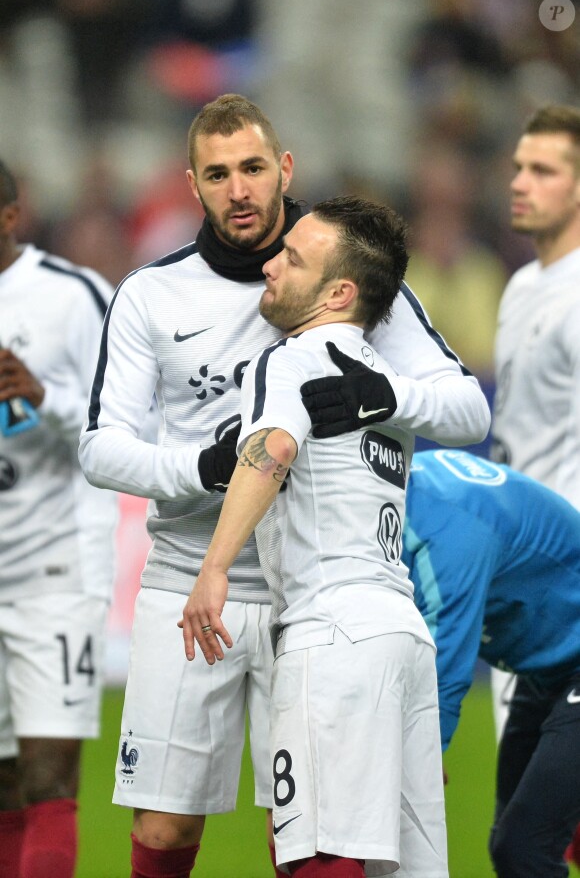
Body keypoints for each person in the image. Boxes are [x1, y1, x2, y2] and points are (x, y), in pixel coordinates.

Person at [78, 94, 489, 878]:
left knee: (302, 829)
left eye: (255, 169)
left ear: (285, 168)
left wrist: (390, 397)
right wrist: (200, 468)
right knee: (163, 832)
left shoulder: (344, 273)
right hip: (189, 582)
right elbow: (102, 450)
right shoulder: (151, 295)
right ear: (191, 184)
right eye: (219, 174)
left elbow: (466, 406)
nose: (240, 190)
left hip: (306, 598)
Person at [181, 196, 449, 878]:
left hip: (331, 634)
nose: (270, 265)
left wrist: (214, 567)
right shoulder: (384, 384)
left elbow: (270, 448)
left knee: (318, 856)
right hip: (403, 638)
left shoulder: (294, 357)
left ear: (338, 292)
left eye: (292, 259)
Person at [0, 160, 117, 878]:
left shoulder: (72, 297)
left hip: (55, 569)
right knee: (4, 782)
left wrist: (44, 397)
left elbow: (124, 427)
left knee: (47, 773)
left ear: (10, 217)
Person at [402, 448, 580, 878]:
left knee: (524, 848)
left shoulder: (447, 530)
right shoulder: (412, 485)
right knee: (514, 849)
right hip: (547, 668)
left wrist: (415, 762)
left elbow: (446, 670)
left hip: (564, 661)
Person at [490, 103, 580, 869]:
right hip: (530, 595)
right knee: (521, 836)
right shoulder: (521, 287)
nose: (520, 182)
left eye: (544, 169)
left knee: (526, 839)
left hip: (572, 585)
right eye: (519, 166)